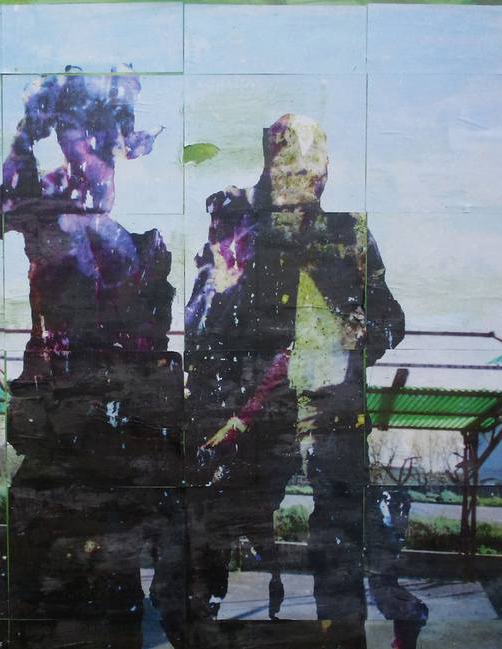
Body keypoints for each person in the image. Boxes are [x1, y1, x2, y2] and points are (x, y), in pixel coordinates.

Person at [186, 114, 426, 649]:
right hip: (256, 415)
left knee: (338, 542)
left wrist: (366, 332)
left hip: (332, 413)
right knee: (221, 526)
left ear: (325, 172)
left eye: (312, 169)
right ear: (269, 166)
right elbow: (202, 321)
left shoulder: (350, 234)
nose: (304, 180)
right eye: (289, 165)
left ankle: (343, 636)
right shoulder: (238, 229)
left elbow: (392, 316)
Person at [0, 66, 185, 649]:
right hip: (56, 452)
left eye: (90, 142)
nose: (82, 159)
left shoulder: (133, 253)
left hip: (96, 459)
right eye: (71, 139)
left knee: (93, 600)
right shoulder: (59, 212)